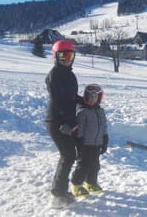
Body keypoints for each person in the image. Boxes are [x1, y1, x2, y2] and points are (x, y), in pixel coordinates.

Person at [45, 39, 81, 205]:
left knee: (70, 155)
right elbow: (60, 102)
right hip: (58, 122)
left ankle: (61, 190)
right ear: (55, 56)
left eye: (69, 55)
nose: (67, 58)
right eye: (63, 55)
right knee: (68, 155)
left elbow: (71, 97)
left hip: (66, 121)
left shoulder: (68, 74)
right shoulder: (54, 76)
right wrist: (71, 122)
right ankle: (58, 195)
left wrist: (86, 100)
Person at [70, 83, 109, 198]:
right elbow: (80, 128)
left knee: (95, 165)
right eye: (90, 97)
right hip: (85, 144)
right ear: (86, 97)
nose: (93, 99)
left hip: (97, 143)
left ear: (99, 98)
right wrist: (79, 141)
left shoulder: (100, 111)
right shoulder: (83, 111)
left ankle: (90, 183)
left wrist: (105, 138)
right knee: (83, 165)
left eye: (95, 97)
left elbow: (103, 126)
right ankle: (76, 185)